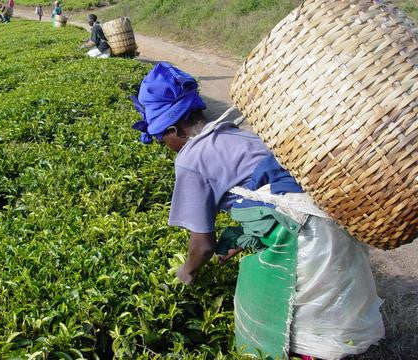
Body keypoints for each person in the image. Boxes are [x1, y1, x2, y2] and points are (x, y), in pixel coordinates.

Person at [131, 62, 385, 360]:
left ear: (174, 130)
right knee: (331, 315)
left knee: (293, 325)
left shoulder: (190, 158)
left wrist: (186, 273)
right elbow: (267, 197)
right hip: (327, 222)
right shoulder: (232, 132)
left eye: (162, 138)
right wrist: (242, 238)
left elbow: (201, 244)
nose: (163, 145)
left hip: (304, 238)